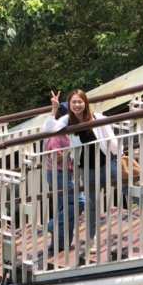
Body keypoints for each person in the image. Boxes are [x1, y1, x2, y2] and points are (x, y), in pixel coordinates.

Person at [45, 90, 143, 249]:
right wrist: (54, 109)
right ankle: (92, 241)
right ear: (70, 105)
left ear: (85, 103)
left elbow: (112, 142)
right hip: (87, 169)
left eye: (80, 102)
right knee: (92, 205)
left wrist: (121, 158)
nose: (77, 105)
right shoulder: (66, 120)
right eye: (74, 102)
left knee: (133, 193)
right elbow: (49, 131)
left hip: (108, 164)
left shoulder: (98, 118)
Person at [44, 102, 84, 256]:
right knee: (79, 203)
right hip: (58, 174)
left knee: (66, 208)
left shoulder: (64, 131)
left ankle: (60, 244)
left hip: (63, 172)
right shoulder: (57, 134)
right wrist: (71, 152)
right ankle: (52, 225)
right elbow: (56, 157)